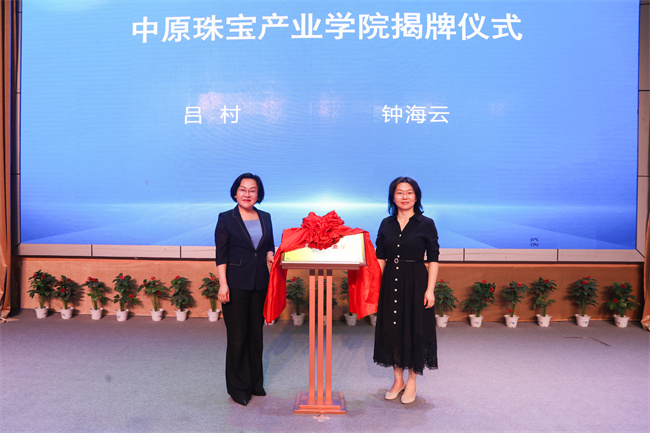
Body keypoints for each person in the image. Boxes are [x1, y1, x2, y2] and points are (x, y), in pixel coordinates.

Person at [373, 176, 439, 404]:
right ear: (393, 197)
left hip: (416, 282)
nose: (405, 196)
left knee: (415, 329)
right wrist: (376, 287)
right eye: (400, 192)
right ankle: (397, 380)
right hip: (390, 282)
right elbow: (380, 257)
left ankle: (412, 380)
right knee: (393, 329)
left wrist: (430, 290)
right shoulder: (386, 223)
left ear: (416, 196)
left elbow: (433, 260)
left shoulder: (426, 223)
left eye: (409, 192)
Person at [215, 173, 275, 406]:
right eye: (243, 189)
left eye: (252, 190)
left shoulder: (266, 217)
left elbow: (268, 245)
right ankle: (238, 388)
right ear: (235, 192)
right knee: (238, 337)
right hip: (236, 284)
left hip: (260, 283)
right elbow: (222, 254)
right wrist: (223, 284)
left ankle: (255, 383)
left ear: (258, 194)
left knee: (255, 336)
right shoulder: (226, 218)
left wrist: (270, 255)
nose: (247, 194)